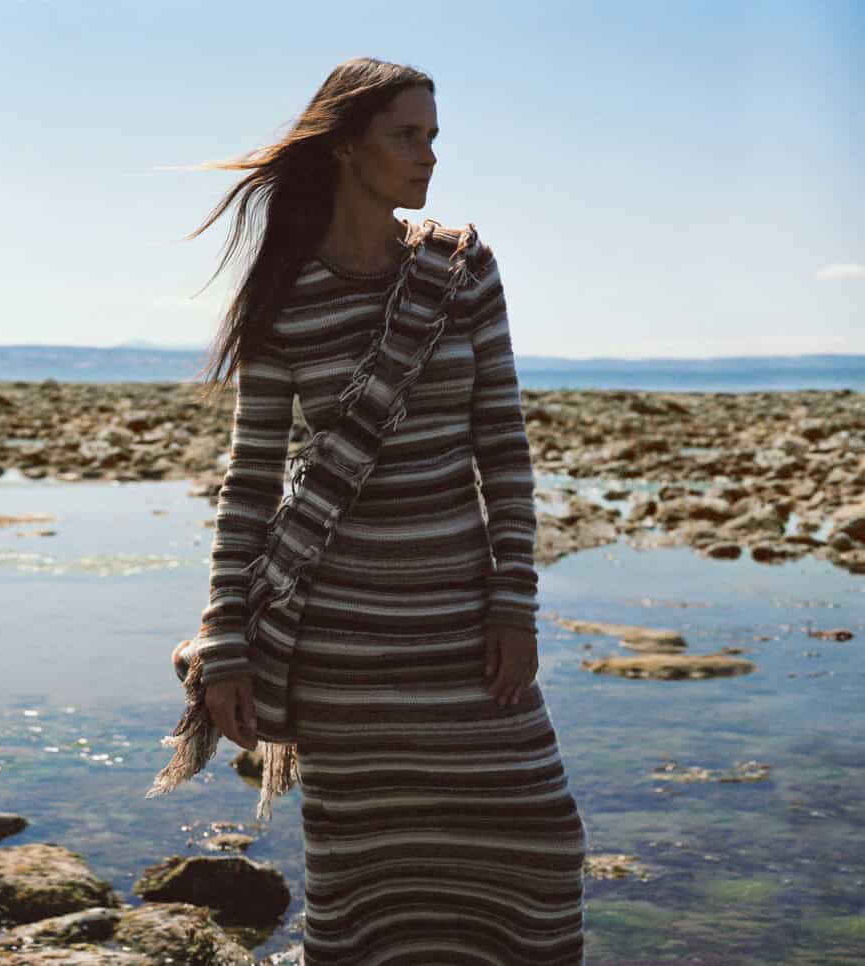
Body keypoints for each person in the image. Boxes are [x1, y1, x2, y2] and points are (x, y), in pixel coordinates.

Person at [180, 57, 586, 966]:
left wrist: (513, 601)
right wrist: (225, 643)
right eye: (407, 136)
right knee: (361, 880)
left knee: (540, 838)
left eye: (434, 138)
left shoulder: (460, 267)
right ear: (347, 146)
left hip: (465, 632)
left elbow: (504, 448)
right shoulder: (284, 297)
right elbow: (249, 484)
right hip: (343, 649)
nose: (428, 156)